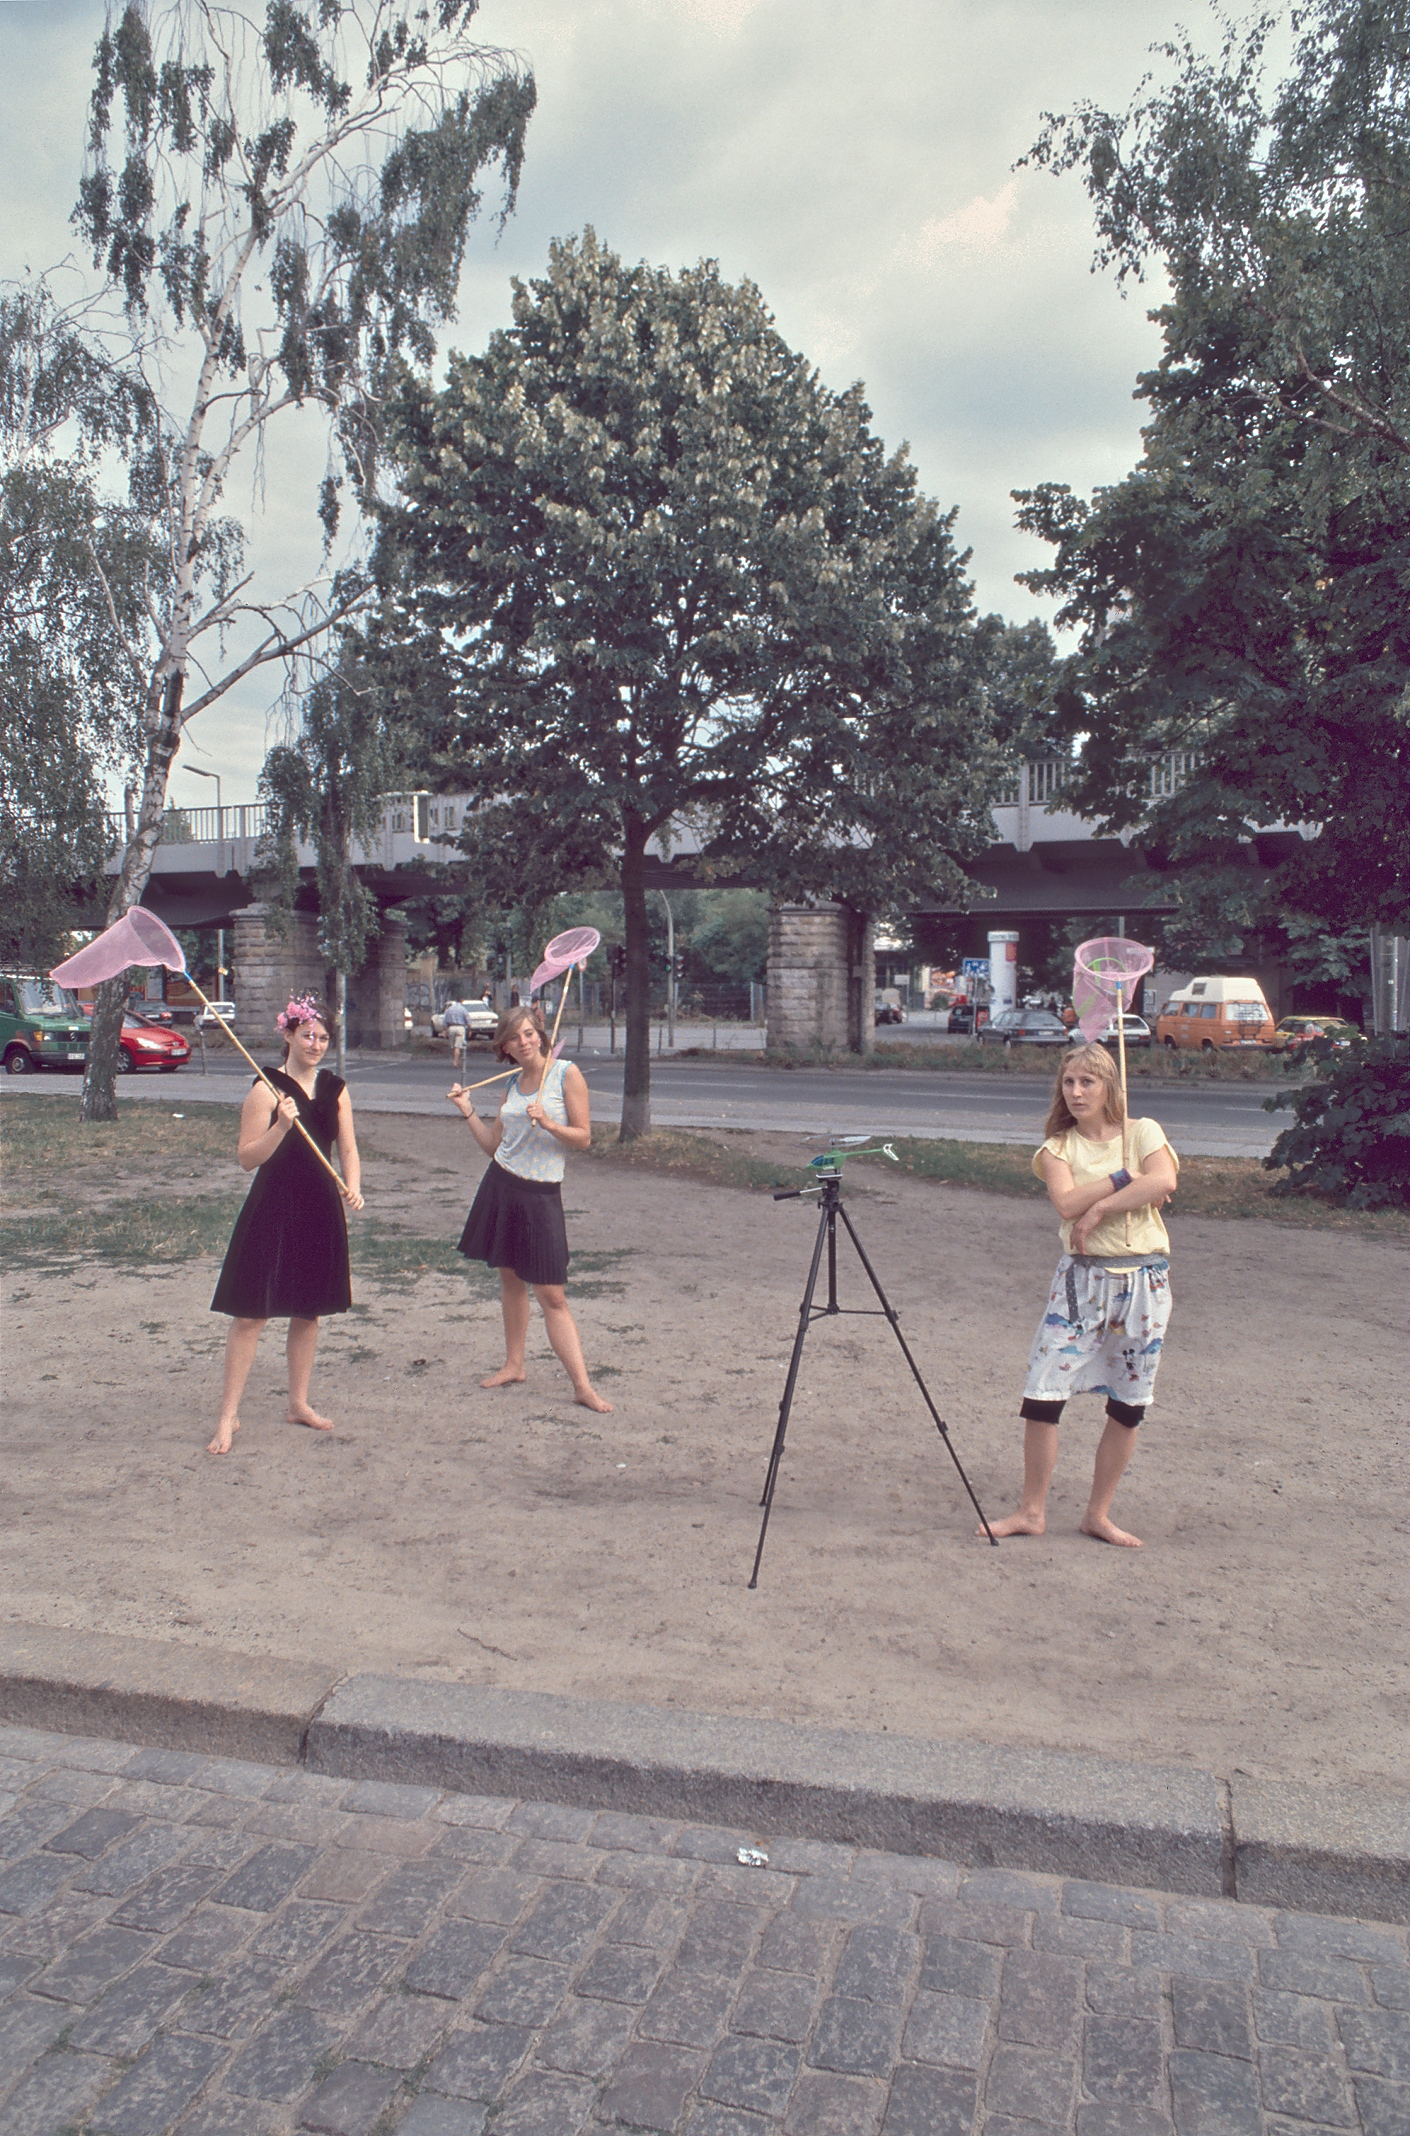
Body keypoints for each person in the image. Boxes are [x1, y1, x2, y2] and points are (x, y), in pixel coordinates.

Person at [984, 1043, 1178, 1549]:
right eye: (1069, 1083)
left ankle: (1098, 1513)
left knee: (1128, 1404)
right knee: (1043, 1397)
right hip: (1080, 1286)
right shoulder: (1057, 1149)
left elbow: (1163, 1180)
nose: (1076, 1092)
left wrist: (1099, 1211)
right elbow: (1065, 1202)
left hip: (1143, 1284)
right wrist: (1119, 1181)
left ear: (1110, 1084)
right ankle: (1032, 1511)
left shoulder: (1143, 1132)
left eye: (1088, 1082)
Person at [207, 995, 363, 1455]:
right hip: (274, 1206)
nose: (315, 1044)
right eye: (307, 1035)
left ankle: (298, 1403)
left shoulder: (336, 1088)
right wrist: (279, 1126)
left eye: (322, 1037)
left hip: (319, 1208)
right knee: (251, 1313)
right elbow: (245, 1158)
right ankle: (227, 1415)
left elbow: (350, 1149)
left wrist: (353, 1185)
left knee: (308, 1309)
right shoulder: (266, 1090)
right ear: (289, 1036)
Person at [449, 1005, 612, 1413]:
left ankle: (582, 1386)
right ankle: (514, 1364)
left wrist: (551, 1124)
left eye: (527, 1034)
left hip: (541, 1196)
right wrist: (468, 1110)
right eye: (512, 1038)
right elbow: (494, 1147)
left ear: (540, 1034)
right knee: (510, 1280)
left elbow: (584, 1139)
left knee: (552, 1294)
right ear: (504, 1047)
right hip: (502, 1187)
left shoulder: (566, 1074)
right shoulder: (513, 1084)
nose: (522, 1042)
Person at [443, 992, 470, 1071]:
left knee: (453, 1046)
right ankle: (456, 1061)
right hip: (460, 1028)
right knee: (457, 1046)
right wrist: (469, 1029)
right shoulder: (463, 1009)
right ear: (462, 1001)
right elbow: (468, 1020)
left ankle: (455, 1059)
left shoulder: (449, 1009)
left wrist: (445, 1030)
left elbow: (444, 1021)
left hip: (451, 1028)